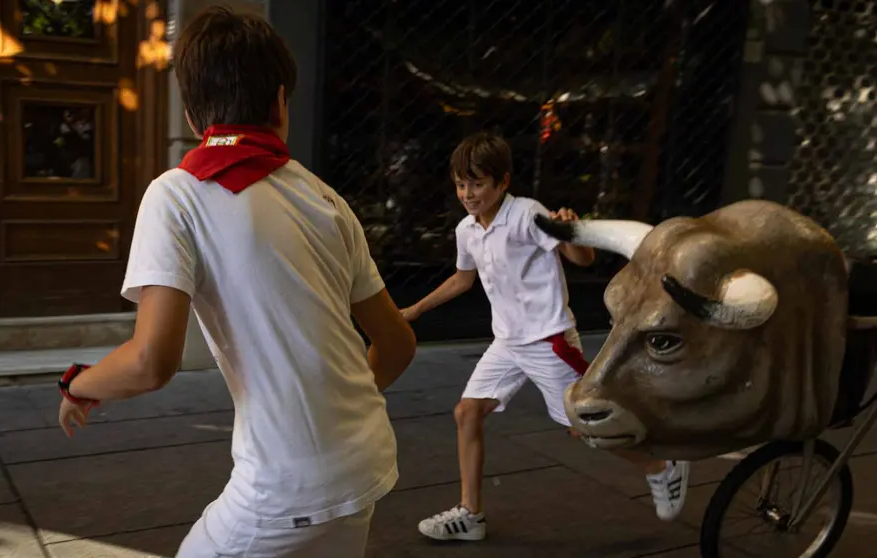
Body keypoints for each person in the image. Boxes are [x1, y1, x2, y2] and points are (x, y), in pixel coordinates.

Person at [54, 7, 417, 557]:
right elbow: (396, 343)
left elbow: (151, 362)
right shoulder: (328, 201)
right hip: (366, 457)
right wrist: (334, 412)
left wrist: (77, 383)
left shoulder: (177, 195)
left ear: (191, 111)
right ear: (279, 101)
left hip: (284, 487)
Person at [401, 131, 690, 542]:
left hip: (549, 341)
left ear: (502, 182)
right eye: (461, 184)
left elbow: (582, 258)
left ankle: (660, 466)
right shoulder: (467, 229)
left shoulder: (524, 214)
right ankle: (470, 515)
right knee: (467, 413)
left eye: (478, 183)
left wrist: (571, 233)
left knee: (582, 429)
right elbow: (463, 279)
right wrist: (414, 310)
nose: (468, 193)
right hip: (506, 343)